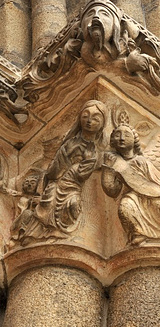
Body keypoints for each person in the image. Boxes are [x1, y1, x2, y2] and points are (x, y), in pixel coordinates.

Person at [21, 100, 106, 242]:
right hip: (57, 182)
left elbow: (83, 173)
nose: (89, 121)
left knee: (72, 205)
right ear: (79, 118)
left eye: (96, 118)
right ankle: (38, 235)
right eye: (85, 116)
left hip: (73, 187)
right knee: (47, 204)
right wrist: (65, 157)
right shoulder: (70, 143)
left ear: (103, 124)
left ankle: (60, 233)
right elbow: (53, 171)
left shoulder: (98, 150)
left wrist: (88, 161)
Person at [101, 124, 160, 251]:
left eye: (126, 135)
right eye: (117, 135)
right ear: (112, 141)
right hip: (132, 196)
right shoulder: (115, 162)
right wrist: (108, 169)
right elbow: (112, 190)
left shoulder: (141, 160)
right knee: (125, 208)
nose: (122, 138)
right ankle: (138, 235)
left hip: (151, 193)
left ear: (134, 141)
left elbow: (156, 177)